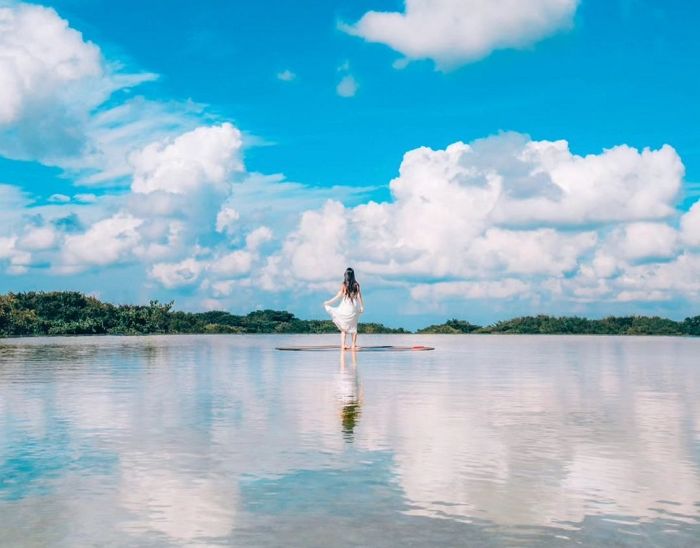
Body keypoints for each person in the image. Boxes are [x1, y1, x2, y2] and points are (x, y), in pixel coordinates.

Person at [323, 267, 365, 350]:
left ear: (346, 275)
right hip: (354, 307)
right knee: (354, 327)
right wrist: (362, 306)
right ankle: (353, 345)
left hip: (345, 307)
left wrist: (328, 302)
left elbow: (338, 296)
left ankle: (343, 345)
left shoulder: (344, 284)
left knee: (343, 329)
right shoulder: (356, 285)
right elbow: (359, 296)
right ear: (353, 275)